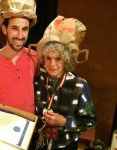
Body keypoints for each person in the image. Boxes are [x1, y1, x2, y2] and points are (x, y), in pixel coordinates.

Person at [34, 16, 97, 150]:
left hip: (66, 145)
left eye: (58, 58)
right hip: (40, 142)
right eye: (48, 58)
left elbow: (90, 122)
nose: (52, 64)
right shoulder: (40, 79)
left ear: (66, 60)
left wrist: (64, 122)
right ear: (43, 59)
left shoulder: (79, 85)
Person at [0, 0, 38, 114]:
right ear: (4, 29)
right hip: (3, 127)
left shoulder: (33, 56)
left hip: (30, 126)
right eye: (14, 28)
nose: (20, 36)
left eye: (25, 29)